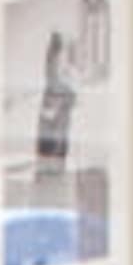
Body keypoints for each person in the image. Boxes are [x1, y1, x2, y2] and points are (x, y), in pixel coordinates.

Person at [34, 28, 79, 183]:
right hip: (55, 102)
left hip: (58, 103)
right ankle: (50, 171)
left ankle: (53, 171)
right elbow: (53, 76)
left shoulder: (63, 68)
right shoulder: (55, 67)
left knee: (57, 139)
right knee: (52, 140)